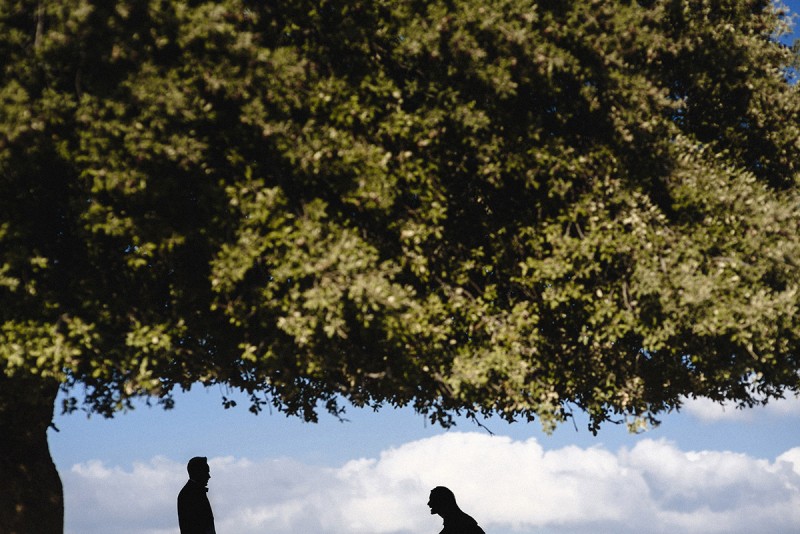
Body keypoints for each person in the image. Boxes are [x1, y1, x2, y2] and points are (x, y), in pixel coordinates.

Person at [177, 456, 216, 534]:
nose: (209, 476)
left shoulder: (189, 493)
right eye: (206, 472)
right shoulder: (190, 494)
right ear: (198, 472)